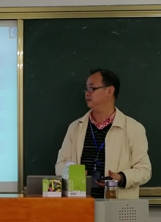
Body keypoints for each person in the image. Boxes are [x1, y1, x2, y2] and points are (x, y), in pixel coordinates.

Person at [55, 68, 152, 200]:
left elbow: (144, 170)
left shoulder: (133, 128)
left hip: (116, 205)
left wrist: (121, 178)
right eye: (86, 89)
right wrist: (74, 174)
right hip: (80, 204)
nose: (87, 93)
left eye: (92, 88)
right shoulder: (75, 127)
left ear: (109, 91)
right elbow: (60, 164)